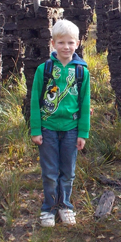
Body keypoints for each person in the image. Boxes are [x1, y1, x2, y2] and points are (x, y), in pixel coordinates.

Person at [30, 19, 91, 227]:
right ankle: (49, 207)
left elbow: (85, 103)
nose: (66, 47)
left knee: (68, 171)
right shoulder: (44, 70)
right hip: (47, 129)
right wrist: (36, 129)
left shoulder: (82, 71)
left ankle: (65, 205)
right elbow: (35, 100)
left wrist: (83, 132)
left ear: (78, 43)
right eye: (61, 43)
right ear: (53, 44)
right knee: (49, 172)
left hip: (71, 130)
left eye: (70, 43)